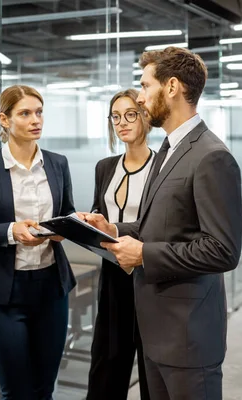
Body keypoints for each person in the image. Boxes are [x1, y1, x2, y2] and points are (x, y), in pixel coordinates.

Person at [80, 47, 242, 400]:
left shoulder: (211, 156)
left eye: (145, 85)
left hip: (189, 338)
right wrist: (114, 230)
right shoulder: (170, 151)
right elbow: (160, 226)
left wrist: (143, 255)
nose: (140, 96)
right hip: (156, 331)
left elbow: (223, 250)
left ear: (171, 87)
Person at [0, 84, 76, 400]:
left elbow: (67, 212)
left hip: (51, 289)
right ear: (4, 120)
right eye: (25, 113)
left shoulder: (57, 163)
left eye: (39, 112)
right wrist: (11, 232)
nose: (36, 120)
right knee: (16, 392)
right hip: (5, 292)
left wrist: (71, 227)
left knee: (44, 389)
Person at [86, 89, 153, 400]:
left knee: (152, 372)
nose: (122, 123)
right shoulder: (105, 167)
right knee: (106, 368)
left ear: (145, 117)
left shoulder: (162, 166)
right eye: (115, 117)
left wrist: (114, 229)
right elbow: (100, 214)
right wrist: (88, 223)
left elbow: (162, 225)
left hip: (149, 275)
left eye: (130, 114)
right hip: (113, 278)